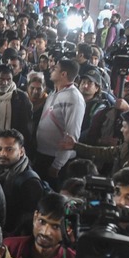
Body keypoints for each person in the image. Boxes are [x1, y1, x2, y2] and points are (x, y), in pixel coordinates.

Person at [5, 192, 84, 258]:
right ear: (35, 217)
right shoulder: (9, 248)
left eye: (55, 227)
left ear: (68, 229)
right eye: (42, 221)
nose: (45, 232)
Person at [36, 59, 85, 190]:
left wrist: (57, 164)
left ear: (63, 74)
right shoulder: (54, 92)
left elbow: (72, 135)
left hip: (56, 159)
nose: (51, 69)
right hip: (43, 154)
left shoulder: (74, 98)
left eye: (55, 68)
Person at [0, 129, 46, 235]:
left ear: (21, 152)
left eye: (9, 149)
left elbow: (28, 220)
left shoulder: (30, 182)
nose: (2, 153)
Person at [61, 110, 129, 176]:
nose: (121, 130)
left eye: (124, 127)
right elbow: (104, 153)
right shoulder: (127, 146)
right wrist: (75, 146)